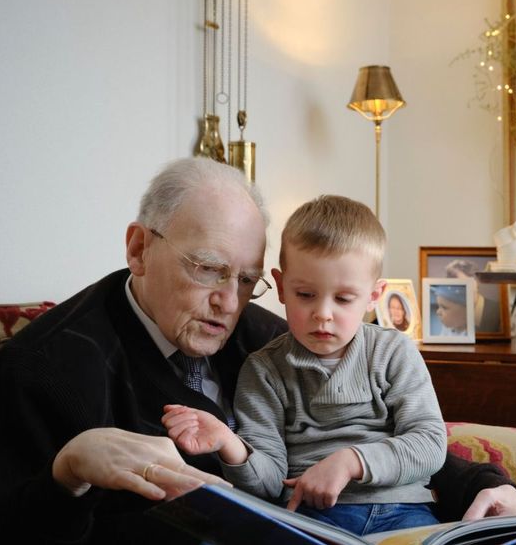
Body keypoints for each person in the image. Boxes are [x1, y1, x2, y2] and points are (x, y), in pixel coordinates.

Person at [0, 157, 516, 545]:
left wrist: (489, 485)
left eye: (245, 278)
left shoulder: (264, 335)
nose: (229, 302)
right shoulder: (46, 367)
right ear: (138, 248)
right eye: (207, 269)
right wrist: (68, 471)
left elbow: (380, 436)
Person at [161, 195, 445, 535]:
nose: (323, 313)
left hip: (405, 509)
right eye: (306, 295)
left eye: (343, 298)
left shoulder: (394, 351)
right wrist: (230, 444)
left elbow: (429, 443)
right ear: (281, 287)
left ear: (374, 295)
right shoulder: (264, 370)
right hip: (313, 517)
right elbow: (267, 483)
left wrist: (351, 462)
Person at [444, 258, 501, 332]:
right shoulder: (450, 313)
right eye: (454, 287)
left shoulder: (499, 311)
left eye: (464, 284)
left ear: (477, 282)